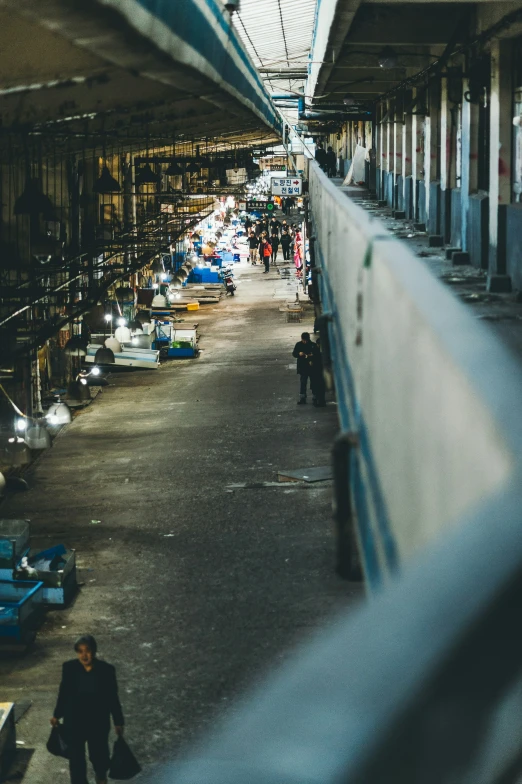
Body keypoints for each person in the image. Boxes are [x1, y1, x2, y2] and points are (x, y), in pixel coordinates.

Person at [51, 635, 124, 784]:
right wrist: (57, 715)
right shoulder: (69, 668)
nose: (84, 655)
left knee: (99, 757)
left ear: (94, 651)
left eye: (87, 651)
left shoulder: (106, 670)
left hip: (97, 722)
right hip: (75, 722)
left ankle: (101, 778)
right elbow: (63, 693)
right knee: (76, 758)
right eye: (80, 651)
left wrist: (118, 721)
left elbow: (112, 698)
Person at [292, 332, 314, 404]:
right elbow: (294, 353)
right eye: (303, 340)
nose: (305, 342)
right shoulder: (298, 345)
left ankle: (315, 396)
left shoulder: (312, 345)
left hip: (310, 366)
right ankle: (302, 398)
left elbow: (316, 354)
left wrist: (311, 356)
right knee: (303, 383)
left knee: (313, 382)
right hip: (303, 367)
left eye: (306, 340)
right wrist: (298, 354)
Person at [310, 338, 326, 407]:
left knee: (319, 387)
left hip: (317, 371)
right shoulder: (316, 350)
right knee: (318, 387)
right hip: (317, 371)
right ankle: (319, 400)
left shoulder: (315, 350)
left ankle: (320, 400)